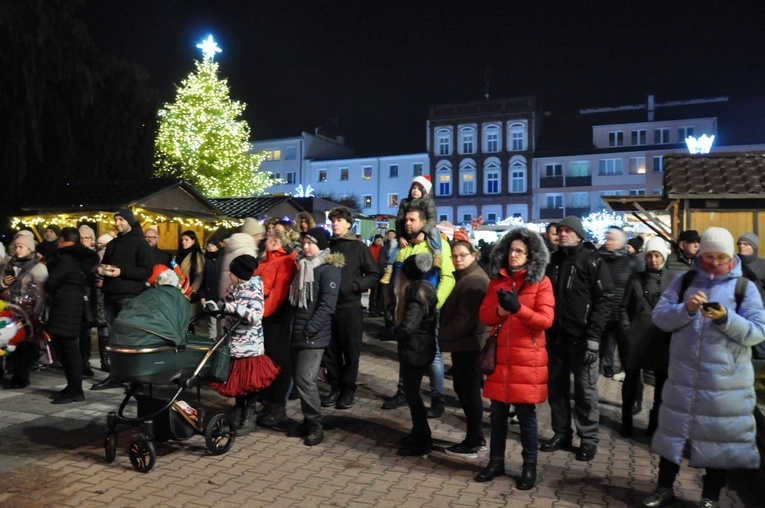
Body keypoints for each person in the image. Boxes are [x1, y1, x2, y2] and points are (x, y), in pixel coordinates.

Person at [644, 227, 765, 508]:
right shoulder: (684, 280)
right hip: (683, 376)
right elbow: (660, 318)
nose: (715, 263)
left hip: (725, 382)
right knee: (672, 435)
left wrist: (726, 319)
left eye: (721, 256)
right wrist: (685, 309)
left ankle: (710, 497)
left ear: (730, 255)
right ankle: (664, 488)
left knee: (717, 441)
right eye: (709, 256)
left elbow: (758, 332)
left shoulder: (743, 286)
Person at [474, 227, 555, 490]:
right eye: (511, 250)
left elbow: (545, 321)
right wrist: (500, 309)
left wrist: (518, 309)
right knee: (497, 414)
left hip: (527, 358)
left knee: (526, 417)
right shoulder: (497, 280)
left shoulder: (540, 282)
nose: (513, 255)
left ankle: (529, 466)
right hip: (500, 358)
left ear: (531, 255)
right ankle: (495, 462)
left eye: (519, 251)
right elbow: (485, 316)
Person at [542, 215, 613, 461]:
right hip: (556, 340)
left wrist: (594, 336)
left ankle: (588, 439)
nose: (562, 234)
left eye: (567, 231)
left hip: (583, 341)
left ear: (579, 235)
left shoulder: (593, 262)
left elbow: (604, 301)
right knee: (557, 391)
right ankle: (561, 433)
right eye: (559, 230)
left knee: (586, 393)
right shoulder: (553, 262)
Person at [381, 208, 455, 417]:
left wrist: (432, 305)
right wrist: (390, 306)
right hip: (402, 311)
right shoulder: (402, 247)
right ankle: (404, 392)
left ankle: (437, 397)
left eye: (413, 220)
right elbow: (395, 279)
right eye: (406, 220)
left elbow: (448, 278)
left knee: (435, 355)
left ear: (424, 223)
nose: (408, 223)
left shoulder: (437, 245)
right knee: (405, 351)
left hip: (427, 312)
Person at [208, 254, 280, 435]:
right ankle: (238, 414)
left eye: (232, 273)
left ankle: (249, 417)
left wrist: (231, 308)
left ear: (239, 274)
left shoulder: (254, 289)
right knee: (239, 385)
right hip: (234, 344)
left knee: (249, 385)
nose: (229, 276)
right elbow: (225, 304)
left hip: (249, 346)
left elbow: (255, 316)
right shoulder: (233, 288)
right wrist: (217, 307)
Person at [380, 253, 438, 457]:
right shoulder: (425, 287)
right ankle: (418, 433)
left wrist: (387, 333)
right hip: (420, 348)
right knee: (413, 395)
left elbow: (408, 327)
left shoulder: (416, 293)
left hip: (416, 350)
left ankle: (423, 440)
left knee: (413, 397)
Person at [321, 206, 379, 410]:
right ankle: (334, 387)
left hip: (350, 307)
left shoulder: (358, 248)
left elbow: (373, 274)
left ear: (348, 223)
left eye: (339, 220)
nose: (335, 223)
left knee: (351, 352)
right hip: (328, 307)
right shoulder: (327, 246)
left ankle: (348, 390)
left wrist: (354, 286)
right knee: (331, 351)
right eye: (333, 220)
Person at [288, 227, 342, 446]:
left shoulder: (328, 270)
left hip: (313, 334)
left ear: (321, 245)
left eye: (310, 243)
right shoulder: (304, 266)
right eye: (304, 242)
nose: (306, 246)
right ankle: (308, 419)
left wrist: (310, 329)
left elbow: (327, 305)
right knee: (301, 380)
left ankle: (315, 423)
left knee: (305, 379)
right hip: (298, 331)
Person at [618, 237, 675, 438]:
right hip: (636, 337)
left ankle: (654, 423)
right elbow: (623, 307)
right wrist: (626, 328)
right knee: (631, 381)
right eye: (650, 255)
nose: (653, 259)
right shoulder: (635, 278)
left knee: (661, 384)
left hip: (661, 338)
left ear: (664, 257)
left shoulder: (673, 280)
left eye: (657, 255)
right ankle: (626, 421)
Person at [438, 240, 489, 458]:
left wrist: (442, 336)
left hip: (470, 345)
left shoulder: (474, 280)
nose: (458, 259)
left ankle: (473, 441)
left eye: (462, 255)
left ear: (473, 255)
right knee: (466, 391)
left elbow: (464, 319)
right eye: (454, 256)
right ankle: (475, 438)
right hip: (467, 344)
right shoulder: (468, 277)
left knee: (469, 393)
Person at [92, 208, 152, 390]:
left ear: (129, 221)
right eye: (116, 220)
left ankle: (137, 379)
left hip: (129, 297)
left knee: (130, 338)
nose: (117, 223)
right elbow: (106, 265)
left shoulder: (140, 243)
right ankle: (116, 375)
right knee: (113, 338)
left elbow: (146, 271)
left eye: (121, 220)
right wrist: (101, 271)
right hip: (110, 295)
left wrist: (122, 271)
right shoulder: (113, 244)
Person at [44, 227, 100, 403]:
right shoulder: (79, 258)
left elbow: (51, 282)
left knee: (69, 349)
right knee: (68, 349)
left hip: (65, 307)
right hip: (73, 307)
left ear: (62, 239)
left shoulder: (66, 259)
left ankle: (76, 390)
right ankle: (72, 387)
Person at [253, 228, 298, 427]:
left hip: (276, 317)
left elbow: (279, 293)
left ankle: (278, 405)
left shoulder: (286, 261)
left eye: (268, 238)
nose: (264, 240)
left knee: (280, 361)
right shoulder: (265, 259)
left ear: (276, 241)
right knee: (268, 360)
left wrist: (261, 314)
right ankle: (268, 401)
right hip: (263, 316)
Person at [1, 232, 48, 388]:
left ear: (30, 249)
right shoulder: (10, 265)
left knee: (27, 346)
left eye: (21, 247)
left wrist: (37, 314)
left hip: (29, 314)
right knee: (14, 344)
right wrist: (4, 283)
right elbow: (2, 286)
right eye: (16, 246)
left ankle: (22, 377)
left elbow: (42, 294)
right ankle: (15, 374)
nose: (17, 249)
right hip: (12, 311)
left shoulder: (38, 268)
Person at [597, 226, 640, 380]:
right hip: (602, 310)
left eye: (612, 239)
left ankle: (628, 375)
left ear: (621, 242)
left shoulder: (631, 262)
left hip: (623, 312)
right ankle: (604, 367)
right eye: (607, 238)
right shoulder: (599, 259)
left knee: (625, 349)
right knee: (602, 345)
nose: (608, 242)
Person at [394, 175, 442, 267]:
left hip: (427, 230)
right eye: (414, 188)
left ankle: (437, 255)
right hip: (406, 235)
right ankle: (388, 267)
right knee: (393, 243)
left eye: (419, 189)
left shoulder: (428, 202)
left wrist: (423, 232)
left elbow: (432, 218)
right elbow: (399, 220)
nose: (415, 190)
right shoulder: (405, 202)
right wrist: (400, 236)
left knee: (434, 231)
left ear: (425, 191)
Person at [78, 225, 98, 377]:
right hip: (76, 294)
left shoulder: (95, 256)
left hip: (90, 295)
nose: (84, 240)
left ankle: (85, 360)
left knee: (86, 330)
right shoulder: (74, 255)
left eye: (87, 237)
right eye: (82, 237)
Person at [199, 238, 223, 339]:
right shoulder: (204, 261)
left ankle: (221, 342)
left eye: (212, 245)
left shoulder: (222, 260)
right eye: (208, 245)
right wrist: (202, 296)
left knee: (222, 321)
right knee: (212, 321)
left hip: (221, 294)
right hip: (210, 294)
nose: (210, 246)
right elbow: (202, 279)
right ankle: (212, 341)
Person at [176, 230, 205, 307]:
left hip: (189, 291)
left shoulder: (197, 256)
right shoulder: (179, 255)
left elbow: (199, 276)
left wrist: (191, 290)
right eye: (182, 240)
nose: (183, 242)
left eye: (186, 240)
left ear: (193, 241)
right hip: (176, 288)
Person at [367, 234, 384, 316]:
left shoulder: (382, 249)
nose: (379, 241)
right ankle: (372, 310)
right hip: (374, 272)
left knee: (380, 292)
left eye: (380, 240)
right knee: (374, 292)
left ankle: (378, 309)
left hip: (381, 272)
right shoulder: (370, 248)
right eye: (377, 240)